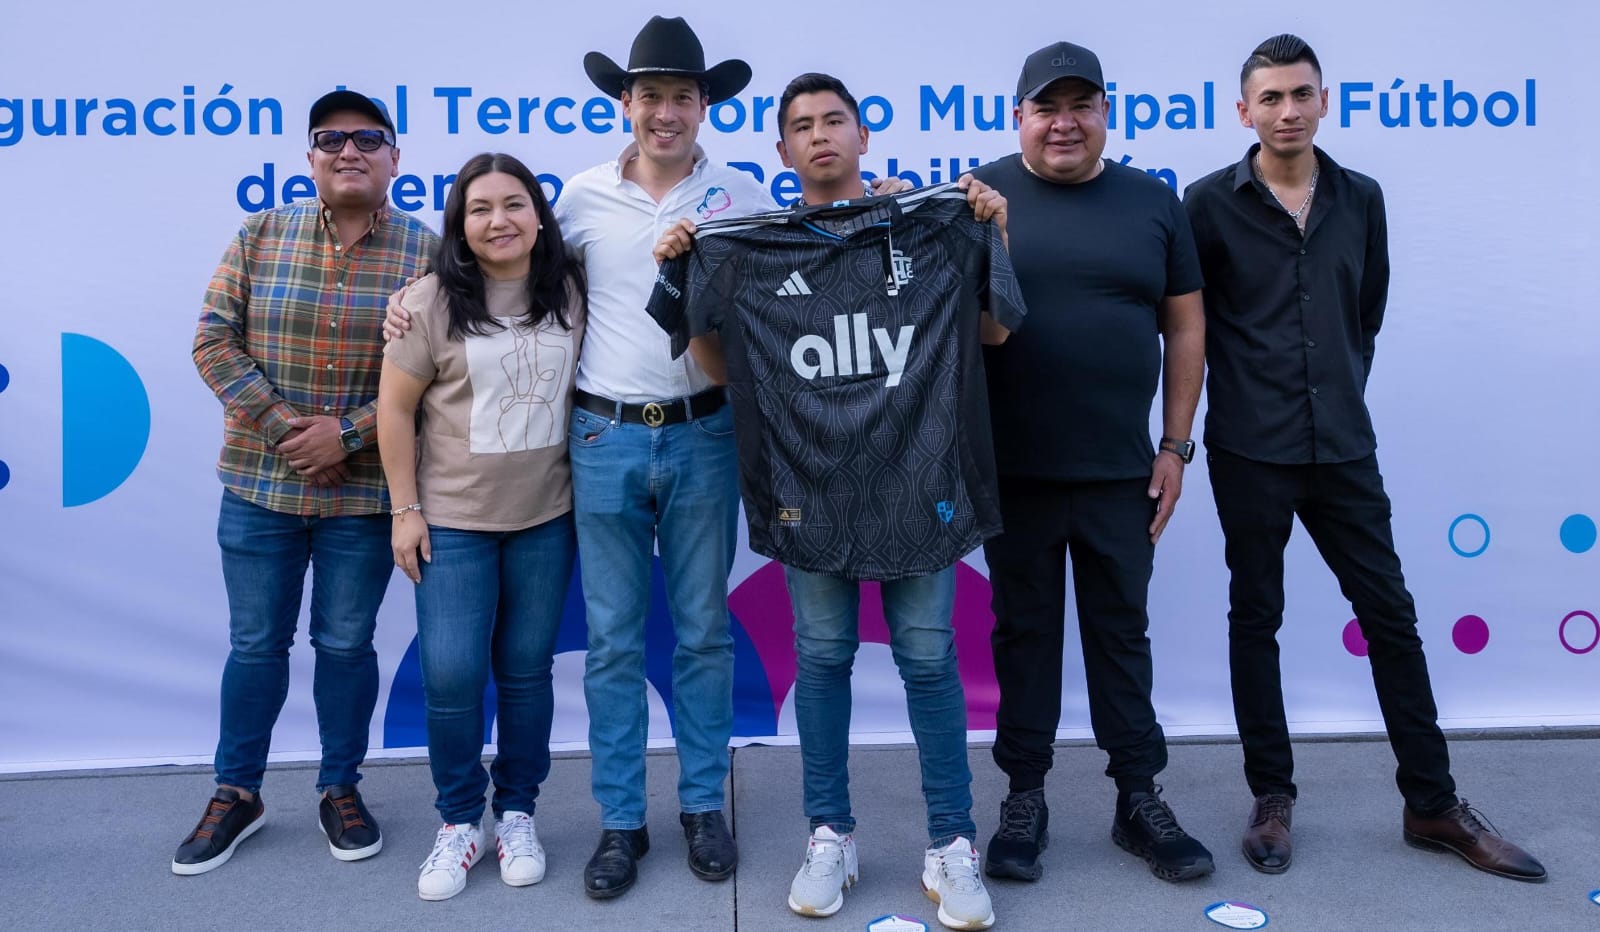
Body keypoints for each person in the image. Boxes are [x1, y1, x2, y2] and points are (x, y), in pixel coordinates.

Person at [385, 17, 772, 898]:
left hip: (706, 432)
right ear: (624, 103)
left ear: (704, 104)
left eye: (682, 95)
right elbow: (500, 267)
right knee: (611, 642)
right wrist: (411, 301)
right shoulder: (583, 197)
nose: (665, 112)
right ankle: (621, 820)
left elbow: (802, 280)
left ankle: (704, 806)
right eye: (649, 96)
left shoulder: (743, 197)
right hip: (600, 439)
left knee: (705, 634)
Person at [649, 73, 1018, 932]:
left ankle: (952, 845)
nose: (820, 136)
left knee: (929, 662)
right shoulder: (747, 245)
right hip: (808, 490)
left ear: (862, 136)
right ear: (782, 152)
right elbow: (718, 368)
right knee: (821, 662)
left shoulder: (925, 226)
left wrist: (994, 229)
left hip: (919, 481)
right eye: (802, 127)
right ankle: (830, 835)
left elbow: (994, 331)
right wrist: (682, 261)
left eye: (834, 121)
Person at [1182, 34, 1546, 882]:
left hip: (1343, 446)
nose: (1286, 110)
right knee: (1255, 620)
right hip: (1250, 451)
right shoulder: (1205, 205)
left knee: (1392, 619)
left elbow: (1364, 315)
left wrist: (1333, 396)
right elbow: (1191, 327)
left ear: (1322, 100)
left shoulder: (1362, 198)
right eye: (1269, 98)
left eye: (1300, 94)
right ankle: (1272, 796)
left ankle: (1432, 803)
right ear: (1244, 112)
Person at [970, 42, 1213, 884]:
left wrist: (1177, 445)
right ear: (1019, 117)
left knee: (1121, 636)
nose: (1065, 123)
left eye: (1082, 105)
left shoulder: (1154, 202)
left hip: (1122, 471)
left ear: (1107, 112)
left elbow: (1185, 326)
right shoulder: (980, 196)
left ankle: (1138, 799)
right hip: (1015, 471)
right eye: (1047, 107)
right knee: (1024, 637)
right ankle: (1024, 800)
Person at [178, 90, 436, 875]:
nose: (348, 151)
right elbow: (212, 341)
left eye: (367, 139)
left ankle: (339, 788)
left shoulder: (427, 254)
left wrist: (346, 434)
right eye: (332, 139)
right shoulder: (260, 234)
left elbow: (440, 375)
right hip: (260, 486)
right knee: (256, 645)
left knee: (346, 646)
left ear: (395, 158)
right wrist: (290, 430)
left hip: (363, 498)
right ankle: (238, 793)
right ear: (311, 156)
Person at [377, 153, 586, 900]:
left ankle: (518, 811)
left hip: (545, 518)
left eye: (513, 204)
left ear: (538, 214)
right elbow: (394, 409)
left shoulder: (570, 287)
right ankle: (460, 821)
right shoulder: (430, 302)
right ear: (460, 227)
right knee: (454, 677)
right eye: (479, 208)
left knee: (527, 675)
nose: (498, 220)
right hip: (453, 523)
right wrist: (405, 510)